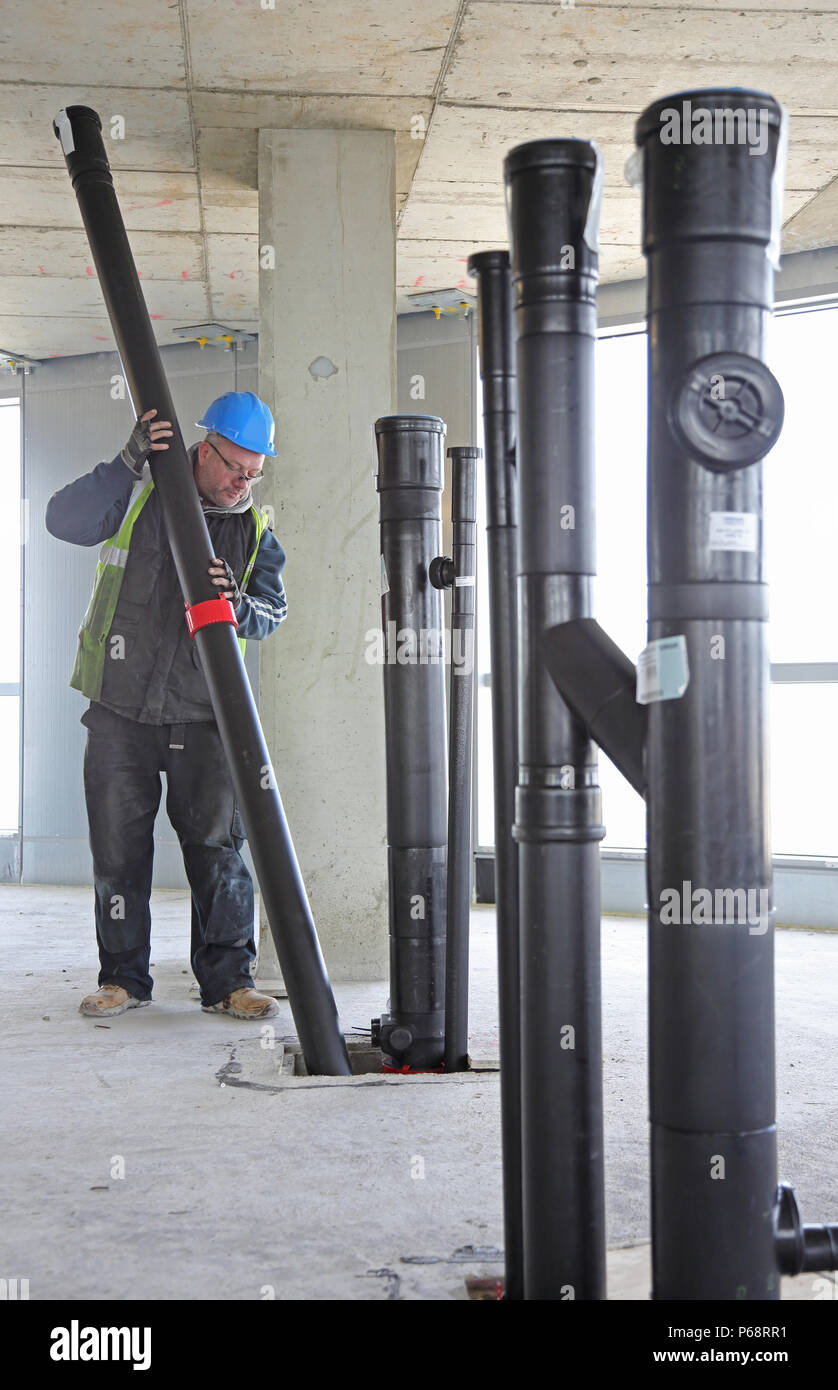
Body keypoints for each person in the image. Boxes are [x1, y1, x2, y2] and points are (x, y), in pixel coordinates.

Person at [45, 391, 288, 1022]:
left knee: (217, 848)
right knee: (119, 849)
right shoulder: (142, 490)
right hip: (120, 706)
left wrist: (240, 606)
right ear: (203, 451)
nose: (242, 484)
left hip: (206, 712)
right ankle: (123, 979)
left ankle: (229, 981)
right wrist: (124, 464)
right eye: (234, 469)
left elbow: (272, 614)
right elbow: (62, 521)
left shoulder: (255, 529)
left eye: (253, 475)